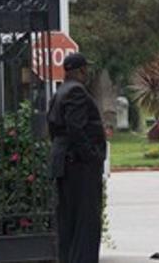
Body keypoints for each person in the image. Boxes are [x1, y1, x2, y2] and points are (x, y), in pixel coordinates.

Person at [49, 52, 107, 263]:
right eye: (86, 69)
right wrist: (92, 156)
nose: (87, 73)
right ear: (81, 70)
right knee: (86, 221)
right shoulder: (76, 92)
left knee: (69, 220)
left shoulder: (59, 92)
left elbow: (54, 130)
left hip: (64, 163)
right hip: (79, 167)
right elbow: (76, 128)